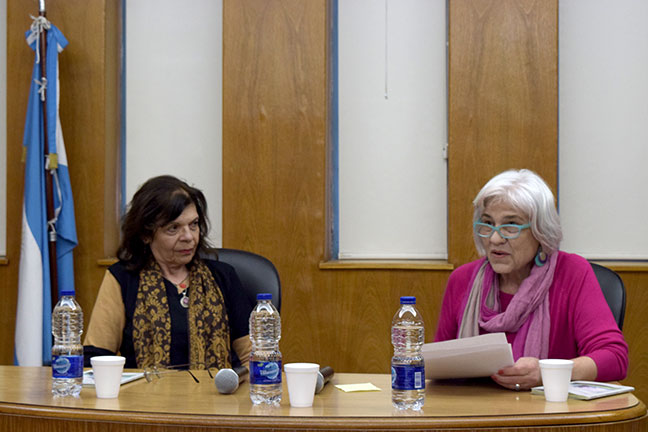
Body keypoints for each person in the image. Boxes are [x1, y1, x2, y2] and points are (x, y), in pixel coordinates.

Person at [434, 169, 628, 390]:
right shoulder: (463, 279)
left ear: (540, 231)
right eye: (487, 224)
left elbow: (615, 358)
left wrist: (548, 372)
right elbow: (439, 365)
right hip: (476, 413)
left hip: (550, 415)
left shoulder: (572, 273)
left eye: (511, 226)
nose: (495, 238)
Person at [83, 175, 253, 370]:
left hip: (215, 398)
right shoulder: (122, 278)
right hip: (143, 398)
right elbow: (95, 359)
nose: (189, 237)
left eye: (194, 224)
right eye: (174, 228)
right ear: (146, 234)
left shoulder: (223, 276)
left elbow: (254, 357)